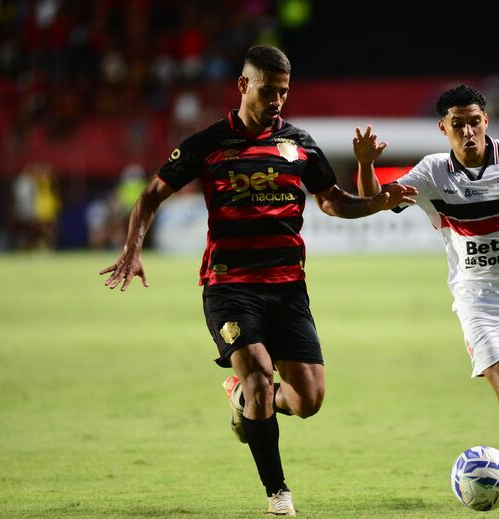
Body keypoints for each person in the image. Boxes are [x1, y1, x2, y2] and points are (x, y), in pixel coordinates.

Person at [99, 45, 415, 516]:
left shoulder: (301, 144)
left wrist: (380, 202)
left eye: (284, 92)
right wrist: (132, 248)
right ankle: (278, 493)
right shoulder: (207, 144)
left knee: (308, 400)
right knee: (262, 376)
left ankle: (242, 395)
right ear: (244, 86)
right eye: (269, 91)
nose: (277, 100)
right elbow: (150, 196)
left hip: (288, 288)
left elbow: (334, 202)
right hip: (230, 287)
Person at [355, 85, 499, 509]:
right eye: (457, 124)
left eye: (474, 121)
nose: (467, 132)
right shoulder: (431, 173)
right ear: (443, 128)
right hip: (478, 300)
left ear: (486, 121)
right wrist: (368, 165)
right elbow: (375, 200)